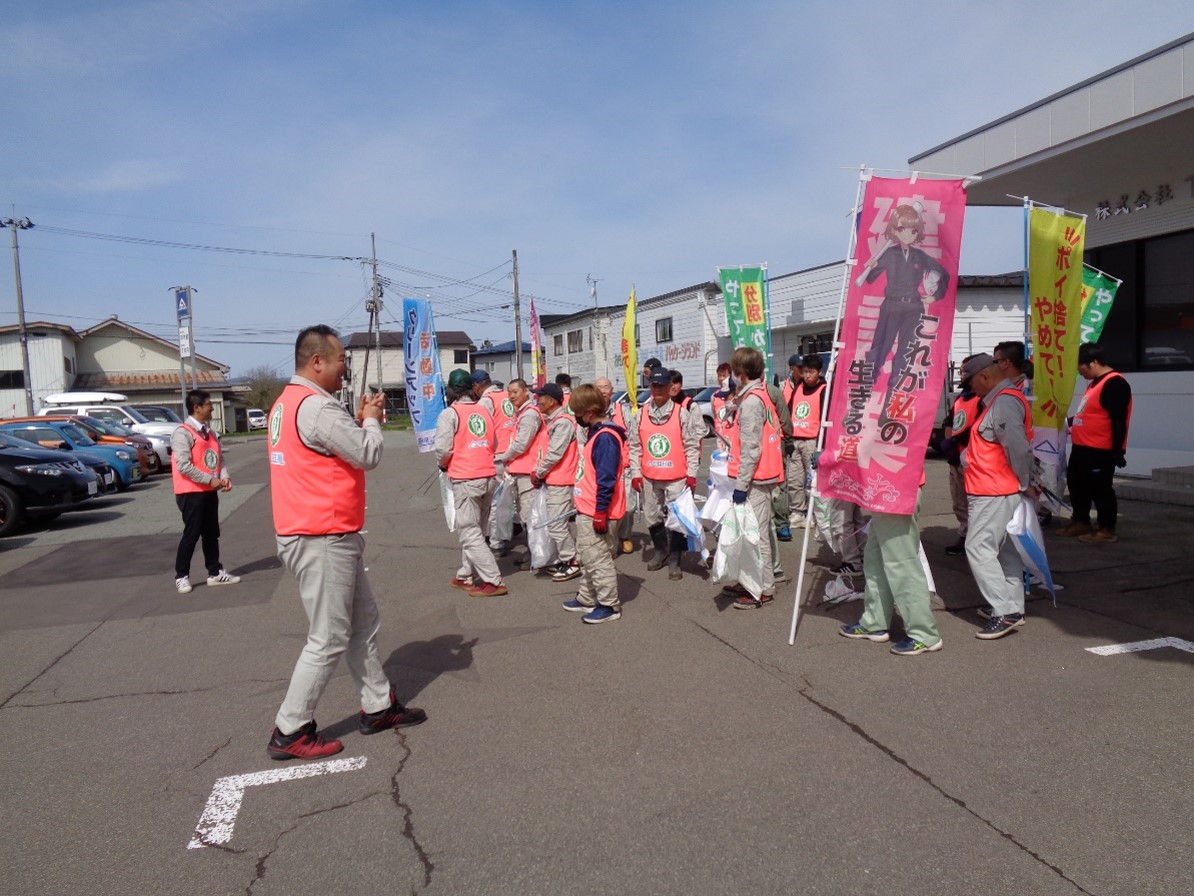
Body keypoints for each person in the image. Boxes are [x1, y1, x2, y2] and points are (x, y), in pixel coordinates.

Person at [267, 325, 425, 761]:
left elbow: (331, 451)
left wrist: (357, 423)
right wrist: (371, 421)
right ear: (316, 361)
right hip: (322, 535)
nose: (345, 369)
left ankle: (377, 705)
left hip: (317, 531)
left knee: (361, 624)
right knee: (329, 636)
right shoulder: (317, 408)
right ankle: (290, 728)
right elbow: (366, 454)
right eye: (340, 360)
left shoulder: (287, 403)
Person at [962, 353, 1039, 639]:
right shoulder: (999, 400)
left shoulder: (1003, 401)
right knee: (1004, 551)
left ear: (984, 376)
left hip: (993, 490)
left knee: (978, 548)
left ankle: (1004, 611)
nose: (971, 391)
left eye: (971, 383)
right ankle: (1012, 608)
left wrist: (1025, 481)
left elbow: (1017, 447)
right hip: (996, 488)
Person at [838, 475, 943, 656]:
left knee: (902, 563)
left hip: (896, 489)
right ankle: (874, 621)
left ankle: (924, 633)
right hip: (885, 489)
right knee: (875, 560)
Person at [860, 203, 949, 410]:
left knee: (903, 355)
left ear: (917, 231)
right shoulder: (889, 254)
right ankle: (861, 403)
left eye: (913, 229)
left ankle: (889, 408)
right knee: (878, 351)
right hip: (890, 307)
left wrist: (935, 296)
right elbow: (870, 279)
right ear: (894, 230)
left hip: (913, 309)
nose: (907, 233)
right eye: (901, 229)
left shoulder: (920, 256)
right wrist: (872, 267)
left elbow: (944, 274)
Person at [436, 368, 507, 597]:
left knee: (469, 531)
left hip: (466, 477)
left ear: (451, 390)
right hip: (488, 474)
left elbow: (443, 449)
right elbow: (493, 441)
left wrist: (443, 464)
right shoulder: (483, 409)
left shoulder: (450, 414)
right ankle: (465, 573)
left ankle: (493, 580)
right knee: (479, 528)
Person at [723, 347, 784, 609]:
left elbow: (751, 448)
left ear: (742, 374)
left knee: (756, 536)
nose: (732, 377)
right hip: (766, 474)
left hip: (756, 479)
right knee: (749, 533)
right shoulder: (762, 394)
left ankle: (762, 587)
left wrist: (741, 484)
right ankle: (747, 579)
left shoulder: (751, 402)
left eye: (735, 373)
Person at [562, 384, 628, 624]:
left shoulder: (605, 437)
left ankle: (609, 605)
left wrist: (600, 510)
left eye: (578, 413)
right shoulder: (597, 433)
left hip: (598, 511)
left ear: (589, 412)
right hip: (588, 508)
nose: (577, 418)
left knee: (598, 559)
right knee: (587, 556)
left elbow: (606, 478)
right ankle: (587, 597)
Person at [629, 367, 701, 581]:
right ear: (650, 387)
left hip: (676, 477)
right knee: (652, 518)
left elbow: (691, 446)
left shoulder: (681, 413)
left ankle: (674, 560)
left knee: (677, 520)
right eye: (654, 385)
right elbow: (634, 446)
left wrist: (692, 474)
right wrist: (635, 473)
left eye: (662, 385)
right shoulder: (641, 414)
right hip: (650, 477)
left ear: (671, 387)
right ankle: (661, 550)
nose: (658, 389)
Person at [1063, 342, 1133, 544]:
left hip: (1100, 449)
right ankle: (1081, 520)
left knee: (1101, 489)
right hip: (1082, 446)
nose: (1080, 373)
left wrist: (1117, 451)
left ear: (1093, 362)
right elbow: (1088, 413)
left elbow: (1118, 419)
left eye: (1081, 368)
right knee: (1076, 484)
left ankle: (1106, 528)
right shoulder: (1095, 383)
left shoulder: (1115, 383)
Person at [171, 389, 239, 594]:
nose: (211, 408)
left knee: (211, 533)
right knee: (191, 534)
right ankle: (181, 576)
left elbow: (219, 459)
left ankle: (215, 571)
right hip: (191, 492)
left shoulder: (210, 433)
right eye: (208, 404)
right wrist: (211, 480)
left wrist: (224, 476)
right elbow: (184, 465)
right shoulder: (182, 433)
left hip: (209, 490)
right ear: (196, 407)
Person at [532, 383, 581, 581]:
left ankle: (572, 561)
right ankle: (566, 558)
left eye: (541, 398)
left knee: (556, 525)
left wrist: (539, 472)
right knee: (559, 523)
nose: (537, 401)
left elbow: (555, 454)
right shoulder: (553, 421)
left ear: (552, 401)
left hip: (561, 480)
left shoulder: (562, 422)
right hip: (556, 479)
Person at [495, 378, 542, 564]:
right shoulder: (521, 413)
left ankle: (537, 554)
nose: (511, 396)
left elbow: (522, 444)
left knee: (530, 514)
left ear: (526, 392)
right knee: (525, 514)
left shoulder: (530, 414)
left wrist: (503, 457)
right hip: (520, 470)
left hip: (528, 472)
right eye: (509, 392)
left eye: (515, 391)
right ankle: (535, 553)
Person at [940, 354, 984, 555]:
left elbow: (980, 428)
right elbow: (949, 422)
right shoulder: (961, 398)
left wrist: (959, 442)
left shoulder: (982, 398)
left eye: (965, 371)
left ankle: (978, 539)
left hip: (973, 460)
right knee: (959, 501)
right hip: (956, 459)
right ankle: (965, 534)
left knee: (976, 503)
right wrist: (949, 442)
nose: (961, 375)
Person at [782, 353, 827, 529]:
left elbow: (827, 418)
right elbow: (790, 410)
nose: (807, 375)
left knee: (813, 482)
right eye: (805, 372)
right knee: (793, 480)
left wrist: (822, 447)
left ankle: (815, 514)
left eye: (811, 372)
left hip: (812, 442)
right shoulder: (798, 387)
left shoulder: (824, 389)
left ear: (819, 372)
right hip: (795, 440)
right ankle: (797, 513)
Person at [595, 377, 635, 555]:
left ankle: (624, 536)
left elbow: (633, 437)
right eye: (599, 388)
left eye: (606, 387)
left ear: (612, 391)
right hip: (600, 468)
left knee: (628, 506)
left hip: (623, 466)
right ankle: (609, 541)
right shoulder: (591, 412)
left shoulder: (622, 411)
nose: (603, 391)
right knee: (605, 505)